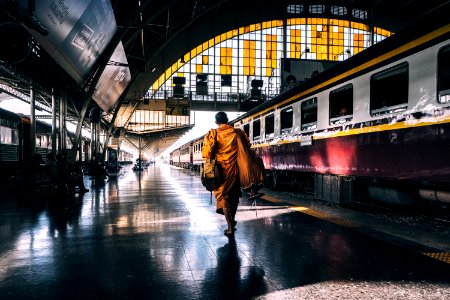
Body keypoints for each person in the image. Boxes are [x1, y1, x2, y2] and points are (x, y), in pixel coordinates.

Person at [202, 111, 264, 237]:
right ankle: (232, 220)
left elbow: (207, 154)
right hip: (235, 170)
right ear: (228, 120)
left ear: (216, 122)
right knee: (234, 197)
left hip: (219, 172)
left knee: (223, 197)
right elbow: (247, 147)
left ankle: (230, 226)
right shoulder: (237, 133)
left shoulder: (213, 134)